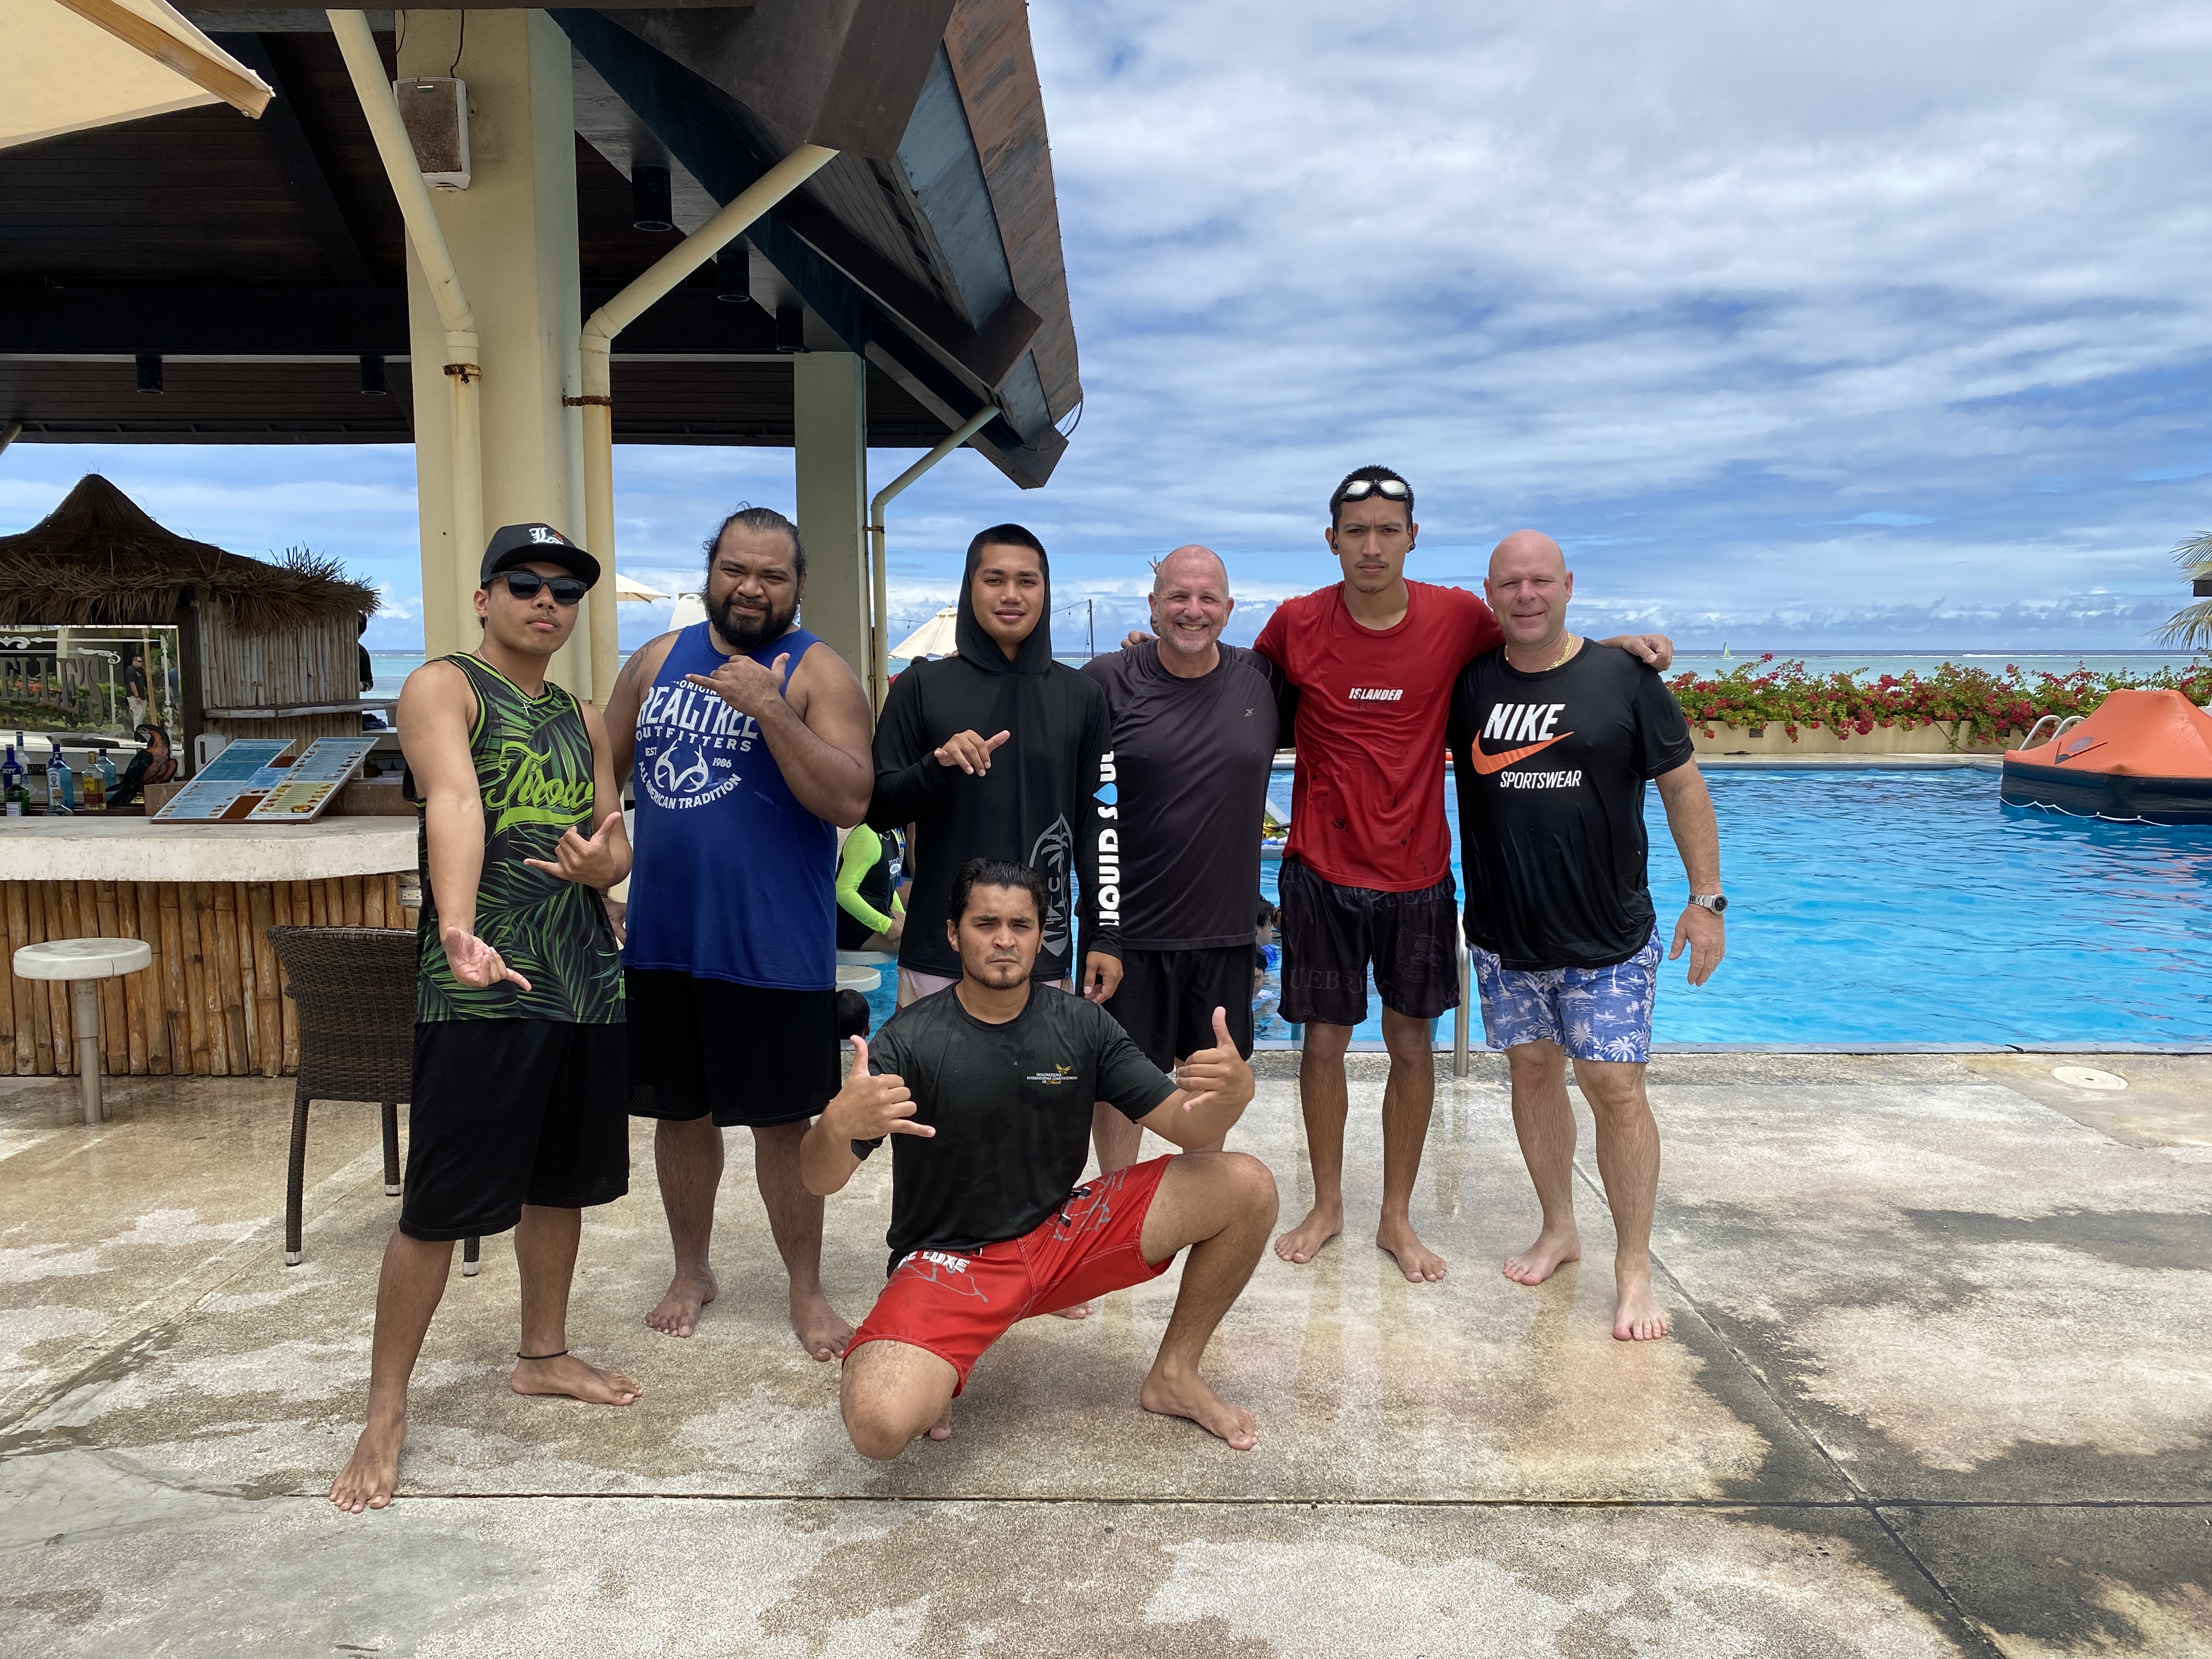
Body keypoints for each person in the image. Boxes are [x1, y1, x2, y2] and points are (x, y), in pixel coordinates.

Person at [1255, 465, 1672, 1284]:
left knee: (1412, 1047)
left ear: (1413, 537)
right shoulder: (1295, 623)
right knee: (1322, 1047)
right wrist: (1148, 652)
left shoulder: (1456, 615)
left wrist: (1621, 649)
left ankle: (1396, 1217)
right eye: (1356, 530)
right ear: (1331, 539)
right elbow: (1235, 687)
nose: (1371, 545)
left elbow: (1543, 642)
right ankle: (1329, 1201)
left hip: (1417, 874)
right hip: (1319, 870)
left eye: (1387, 529)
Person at [330, 522, 634, 1514]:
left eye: (565, 589)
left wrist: (606, 864)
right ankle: (385, 1406)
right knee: (437, 1202)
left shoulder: (585, 715)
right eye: (525, 582)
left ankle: (541, 1351)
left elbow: (609, 834)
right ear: (484, 596)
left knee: (559, 1184)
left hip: (583, 979)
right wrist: (456, 926)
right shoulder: (445, 685)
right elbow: (453, 800)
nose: (547, 601)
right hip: (484, 981)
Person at [801, 857, 1278, 1457]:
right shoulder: (909, 1039)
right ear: (954, 933)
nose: (1004, 940)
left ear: (1041, 936)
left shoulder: (1083, 1027)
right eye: (985, 923)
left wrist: (1233, 1096)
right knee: (878, 1426)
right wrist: (835, 1126)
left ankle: (1175, 1374)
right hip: (952, 1260)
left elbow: (1188, 1128)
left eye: (1020, 926)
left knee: (1247, 1185)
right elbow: (820, 1178)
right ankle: (938, 1360)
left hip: (1061, 1236)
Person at [604, 505, 874, 1357]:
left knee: (782, 1125)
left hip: (770, 949)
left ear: (798, 585)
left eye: (772, 575)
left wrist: (772, 711)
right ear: (710, 571)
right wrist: (600, 867)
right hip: (663, 942)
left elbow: (850, 799)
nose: (750, 588)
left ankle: (805, 1288)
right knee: (680, 1118)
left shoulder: (817, 672)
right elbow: (601, 773)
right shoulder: (654, 659)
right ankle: (693, 1269)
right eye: (735, 569)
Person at [1446, 529, 1724, 1341]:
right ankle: (1560, 1227)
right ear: (1489, 595)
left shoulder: (1624, 676)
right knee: (1532, 1076)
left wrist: (1706, 901)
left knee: (1617, 1092)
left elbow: (1682, 786)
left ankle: (1632, 1268)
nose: (1525, 595)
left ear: (1567, 585)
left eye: (1540, 581)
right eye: (1509, 584)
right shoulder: (1467, 686)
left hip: (1607, 936)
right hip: (1504, 935)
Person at [1080, 546, 1288, 1174]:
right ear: (1153, 604)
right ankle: (1112, 1221)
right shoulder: (1105, 680)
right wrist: (1100, 931)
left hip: (1224, 938)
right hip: (1128, 936)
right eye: (1178, 597)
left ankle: (1197, 1214)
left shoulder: (1265, 680)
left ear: (1229, 609)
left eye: (1206, 599)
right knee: (1118, 1093)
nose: (1192, 611)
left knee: (1211, 1093)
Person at [867, 525, 1119, 1008]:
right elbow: (878, 809)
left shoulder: (1082, 696)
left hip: (1042, 954)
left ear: (1045, 590)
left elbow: (1101, 823)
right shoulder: (920, 687)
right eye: (995, 579)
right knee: (925, 1087)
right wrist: (936, 767)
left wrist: (1107, 936)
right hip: (937, 956)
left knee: (1046, 1086)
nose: (1011, 595)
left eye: (1027, 581)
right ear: (970, 587)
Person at [836, 825, 905, 953]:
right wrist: (885, 925)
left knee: (928, 931)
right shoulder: (866, 837)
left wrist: (902, 917)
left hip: (878, 913)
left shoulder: (892, 834)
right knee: (921, 944)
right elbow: (843, 891)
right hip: (851, 923)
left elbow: (888, 885)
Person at [109, 723, 176, 809]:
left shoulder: (170, 764)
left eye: (144, 731)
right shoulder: (146, 755)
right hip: (132, 787)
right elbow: (130, 781)